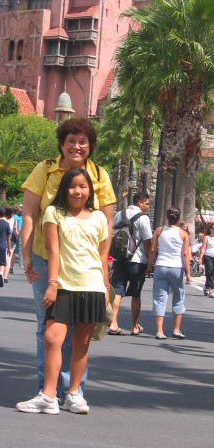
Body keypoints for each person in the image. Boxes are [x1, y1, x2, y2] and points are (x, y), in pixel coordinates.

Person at [20, 117, 116, 401]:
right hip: (44, 257)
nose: (77, 146)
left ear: (90, 146)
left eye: (83, 142)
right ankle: (47, 389)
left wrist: (104, 271)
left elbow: (106, 227)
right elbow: (29, 214)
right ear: (61, 143)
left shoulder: (98, 175)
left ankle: (73, 390)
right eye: (71, 141)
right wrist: (25, 255)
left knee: (79, 329)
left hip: (84, 266)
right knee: (47, 325)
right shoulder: (45, 170)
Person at [109, 193, 152, 335]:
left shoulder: (119, 214)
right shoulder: (143, 218)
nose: (147, 206)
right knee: (136, 293)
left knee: (117, 291)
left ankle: (113, 323)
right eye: (146, 203)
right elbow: (147, 242)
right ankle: (134, 326)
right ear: (140, 202)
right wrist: (150, 262)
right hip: (137, 260)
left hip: (119, 258)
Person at [147, 207, 190, 340]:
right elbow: (185, 254)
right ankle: (176, 329)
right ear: (178, 218)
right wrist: (188, 272)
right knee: (178, 297)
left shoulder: (159, 231)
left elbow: (153, 249)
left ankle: (159, 331)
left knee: (160, 298)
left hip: (161, 266)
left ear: (167, 217)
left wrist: (149, 266)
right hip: (176, 267)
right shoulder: (183, 233)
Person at [3, 206, 18, 282]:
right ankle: (5, 277)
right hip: (12, 240)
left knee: (2, 258)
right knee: (8, 259)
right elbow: (15, 230)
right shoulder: (14, 220)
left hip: (2, 240)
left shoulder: (3, 220)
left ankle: (1, 273)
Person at [199, 223, 214, 298]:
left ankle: (206, 287)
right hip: (208, 256)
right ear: (210, 229)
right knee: (209, 272)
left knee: (212, 273)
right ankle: (210, 290)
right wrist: (200, 259)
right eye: (213, 228)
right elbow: (203, 248)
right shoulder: (206, 237)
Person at [10, 204, 22, 274]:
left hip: (8, 235)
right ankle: (11, 267)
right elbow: (19, 229)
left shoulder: (9, 217)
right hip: (15, 236)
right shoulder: (19, 219)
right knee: (13, 252)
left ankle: (6, 265)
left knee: (8, 251)